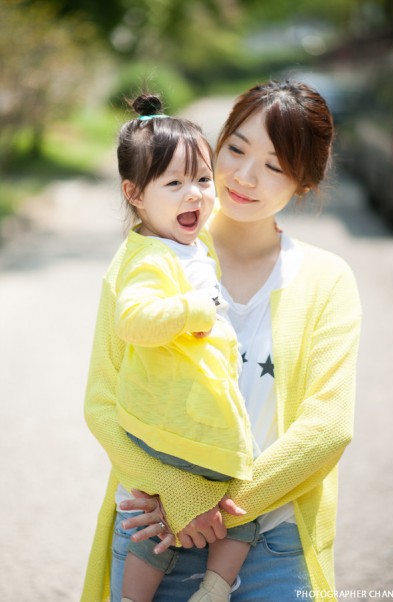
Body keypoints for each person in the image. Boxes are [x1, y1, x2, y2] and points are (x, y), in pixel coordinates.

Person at [82, 80, 362, 602]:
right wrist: (177, 498)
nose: (245, 176)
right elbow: (101, 402)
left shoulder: (326, 280)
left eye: (275, 166)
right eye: (235, 148)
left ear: (304, 181)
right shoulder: (151, 252)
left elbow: (327, 428)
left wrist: (215, 508)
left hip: (270, 541)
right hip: (152, 532)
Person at [86, 92, 258, 602]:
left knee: (239, 514)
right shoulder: (147, 259)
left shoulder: (192, 246)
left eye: (203, 180)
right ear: (135, 193)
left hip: (198, 426)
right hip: (170, 433)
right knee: (160, 536)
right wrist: (195, 309)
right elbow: (134, 319)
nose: (195, 195)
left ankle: (212, 587)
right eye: (175, 183)